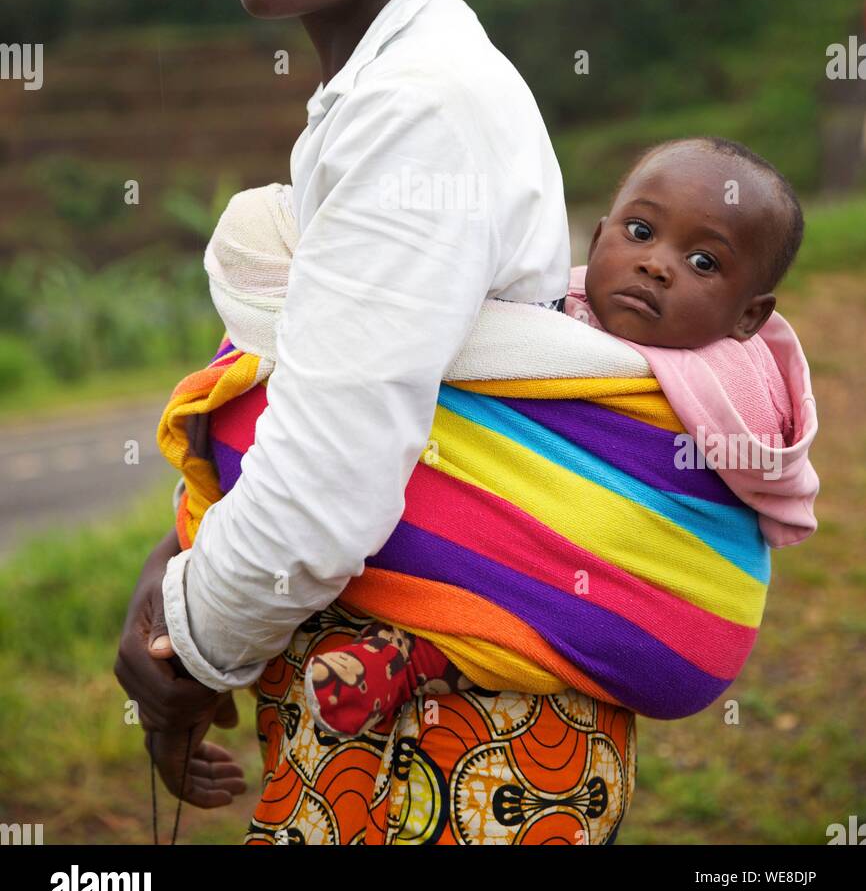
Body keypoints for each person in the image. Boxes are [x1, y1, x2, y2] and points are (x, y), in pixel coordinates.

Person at [114, 0, 637, 844]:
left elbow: (320, 496)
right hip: (411, 726)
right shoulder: (394, 92)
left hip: (436, 753)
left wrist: (182, 640)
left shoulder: (421, 106)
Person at [153, 134, 818, 743]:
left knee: (525, 627)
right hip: (485, 607)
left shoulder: (737, 390)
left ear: (749, 316)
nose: (656, 265)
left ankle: (425, 658)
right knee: (481, 603)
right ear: (596, 240)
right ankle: (418, 653)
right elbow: (449, 360)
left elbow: (738, 492)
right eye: (640, 231)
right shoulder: (542, 311)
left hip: (633, 621)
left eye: (703, 261)